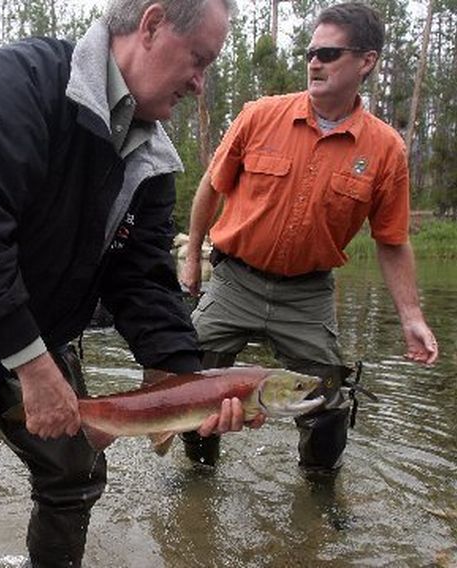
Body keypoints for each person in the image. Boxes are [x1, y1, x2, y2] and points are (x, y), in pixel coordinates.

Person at [0, 1, 259, 566]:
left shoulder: (151, 158)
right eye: (199, 60)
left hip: (40, 325)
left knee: (75, 473)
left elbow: (141, 278)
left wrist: (190, 385)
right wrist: (33, 366)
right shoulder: (20, 82)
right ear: (152, 24)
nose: (199, 82)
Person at [180, 2, 439, 474]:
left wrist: (412, 316)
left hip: (308, 294)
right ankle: (199, 474)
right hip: (234, 281)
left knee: (329, 401)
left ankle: (320, 493)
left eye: (328, 52)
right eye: (310, 51)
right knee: (189, 379)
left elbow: (392, 240)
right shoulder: (259, 116)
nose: (314, 62)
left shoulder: (385, 150)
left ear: (366, 61)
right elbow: (211, 187)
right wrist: (193, 255)